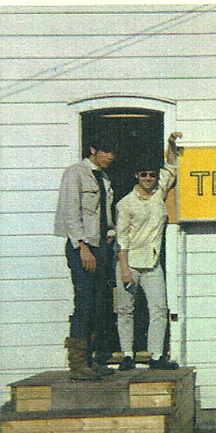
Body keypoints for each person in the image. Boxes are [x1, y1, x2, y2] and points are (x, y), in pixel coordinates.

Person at [115, 132, 182, 370]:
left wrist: (171, 144)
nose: (148, 178)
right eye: (144, 174)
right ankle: (127, 355)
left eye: (151, 175)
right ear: (136, 176)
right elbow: (121, 239)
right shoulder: (125, 203)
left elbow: (171, 167)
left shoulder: (158, 194)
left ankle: (155, 356)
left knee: (159, 309)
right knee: (125, 310)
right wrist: (124, 269)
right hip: (130, 263)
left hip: (152, 263)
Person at [54, 136, 117, 381]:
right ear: (93, 149)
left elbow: (104, 213)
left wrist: (111, 234)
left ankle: (91, 359)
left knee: (99, 303)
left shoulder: (103, 177)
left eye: (113, 153)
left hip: (100, 247)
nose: (110, 157)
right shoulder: (76, 173)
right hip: (83, 247)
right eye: (106, 151)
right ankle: (77, 362)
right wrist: (82, 246)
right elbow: (71, 212)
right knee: (84, 302)